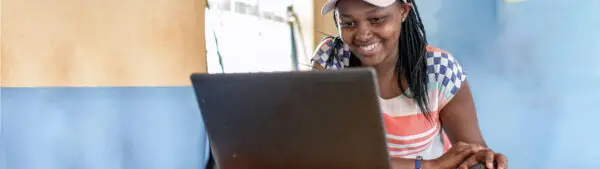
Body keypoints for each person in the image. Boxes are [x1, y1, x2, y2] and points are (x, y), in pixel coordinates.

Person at [311, 0, 508, 168]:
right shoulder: (331, 59)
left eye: (376, 19)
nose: (362, 35)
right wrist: (429, 166)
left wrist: (484, 160)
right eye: (348, 23)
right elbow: (322, 154)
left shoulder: (439, 70)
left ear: (403, 11)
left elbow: (472, 155)